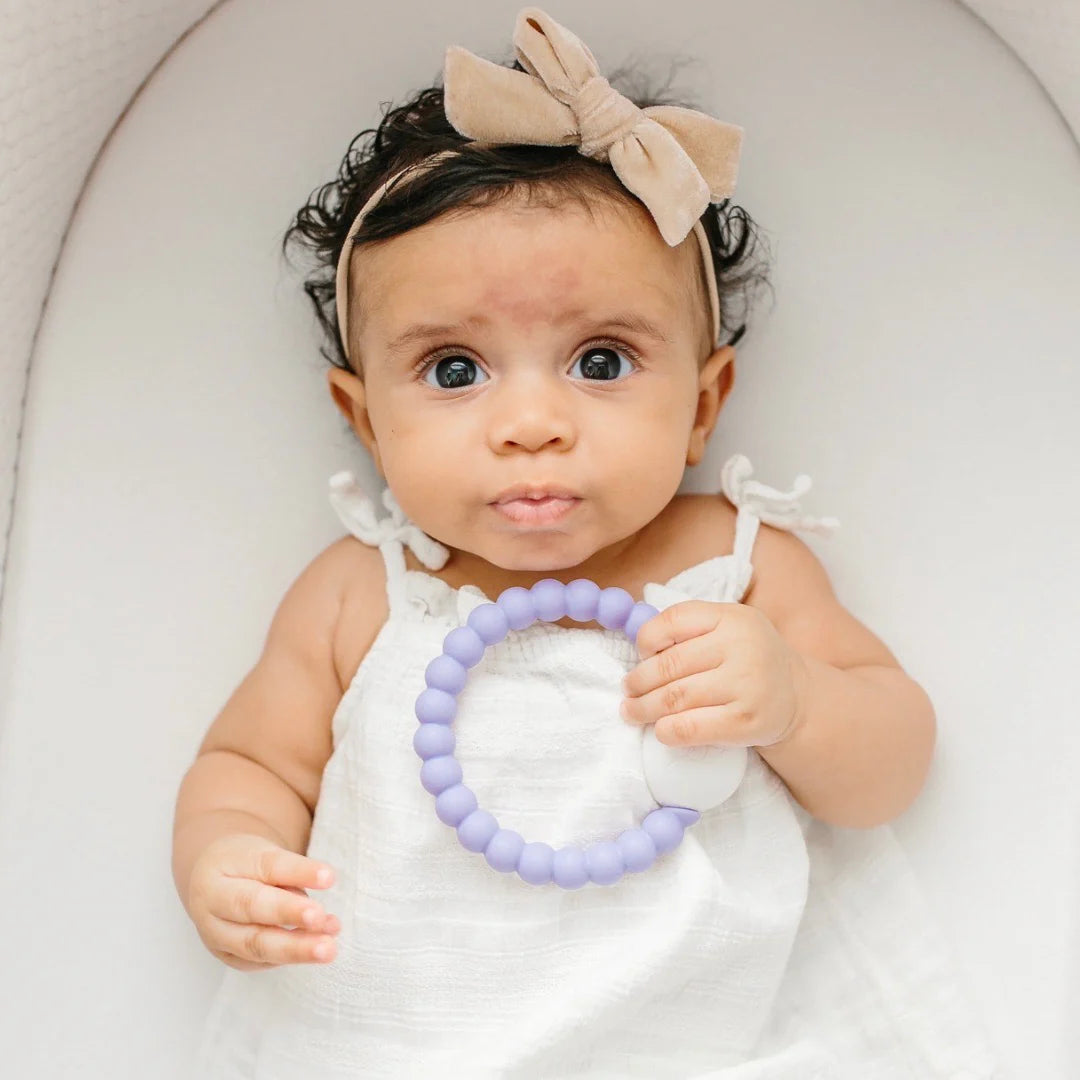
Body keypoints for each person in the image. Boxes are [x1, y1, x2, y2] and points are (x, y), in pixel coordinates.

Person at [172, 8, 1001, 1076]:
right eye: (456, 370)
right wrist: (226, 857)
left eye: (601, 362)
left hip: (690, 1043)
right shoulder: (365, 593)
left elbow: (889, 770)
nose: (531, 423)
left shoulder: (739, 566)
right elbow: (247, 762)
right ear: (366, 419)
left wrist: (794, 697)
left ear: (705, 406)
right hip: (406, 1043)